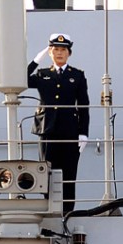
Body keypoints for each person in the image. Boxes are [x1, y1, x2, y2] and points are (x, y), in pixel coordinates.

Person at [27, 33, 90, 214]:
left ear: (69, 53)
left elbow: (83, 105)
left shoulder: (77, 75)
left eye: (63, 49)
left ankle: (67, 212)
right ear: (50, 52)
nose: (59, 53)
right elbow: (21, 78)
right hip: (47, 129)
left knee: (69, 173)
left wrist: (83, 133)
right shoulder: (42, 74)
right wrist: (36, 60)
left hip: (70, 130)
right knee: (46, 172)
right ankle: (49, 210)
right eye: (55, 49)